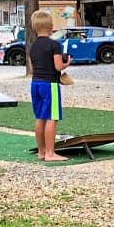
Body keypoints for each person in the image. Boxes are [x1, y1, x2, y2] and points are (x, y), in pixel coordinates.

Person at [28, 10, 72, 162]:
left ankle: (41, 151)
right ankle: (50, 153)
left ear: (34, 27)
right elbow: (58, 66)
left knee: (40, 117)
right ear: (51, 26)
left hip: (35, 83)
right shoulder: (55, 45)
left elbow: (32, 68)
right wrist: (67, 62)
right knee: (52, 118)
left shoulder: (32, 46)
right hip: (50, 85)